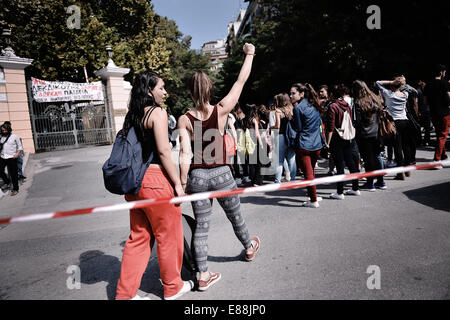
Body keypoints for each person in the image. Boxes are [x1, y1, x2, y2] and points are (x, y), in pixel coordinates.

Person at [177, 43, 260, 292]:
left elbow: (184, 153)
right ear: (210, 89)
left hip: (198, 175)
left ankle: (202, 275)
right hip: (223, 173)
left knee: (202, 227)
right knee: (236, 216)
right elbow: (241, 81)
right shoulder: (222, 109)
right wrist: (249, 54)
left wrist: (182, 184)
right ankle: (248, 247)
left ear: (190, 92)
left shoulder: (184, 118)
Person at [115, 70, 193, 301]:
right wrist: (178, 183)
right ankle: (172, 287)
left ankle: (125, 295)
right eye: (161, 88)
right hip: (156, 182)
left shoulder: (133, 115)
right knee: (169, 237)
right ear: (150, 91)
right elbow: (164, 151)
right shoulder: (157, 113)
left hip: (134, 184)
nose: (165, 92)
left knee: (137, 239)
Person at [290, 83, 325, 208]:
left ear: (302, 94)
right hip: (317, 144)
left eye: (293, 93)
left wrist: (291, 119)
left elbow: (298, 128)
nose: (291, 96)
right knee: (311, 171)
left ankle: (313, 200)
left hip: (304, 144)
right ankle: (312, 194)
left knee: (308, 173)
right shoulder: (315, 104)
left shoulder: (297, 108)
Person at [325, 85, 361, 200]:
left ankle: (340, 192)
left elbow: (330, 127)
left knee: (339, 165)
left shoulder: (332, 106)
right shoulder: (347, 105)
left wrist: (327, 143)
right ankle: (356, 188)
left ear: (331, 94)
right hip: (348, 137)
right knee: (351, 163)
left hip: (337, 139)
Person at [376, 76, 414, 180]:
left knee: (397, 147)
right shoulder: (405, 94)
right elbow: (406, 87)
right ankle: (407, 169)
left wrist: (391, 81)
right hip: (405, 121)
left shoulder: (388, 94)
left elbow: (378, 82)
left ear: (392, 85)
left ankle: (400, 171)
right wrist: (402, 81)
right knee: (406, 146)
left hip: (394, 123)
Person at [352, 80, 386, 191]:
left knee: (368, 160)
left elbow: (356, 121)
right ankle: (381, 182)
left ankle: (370, 183)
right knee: (377, 157)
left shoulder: (358, 102)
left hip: (364, 135)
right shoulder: (374, 99)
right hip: (376, 133)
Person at [424, 64, 450, 167]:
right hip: (444, 112)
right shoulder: (445, 83)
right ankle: (437, 159)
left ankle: (443, 156)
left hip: (433, 113)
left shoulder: (428, 85)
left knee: (440, 134)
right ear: (441, 72)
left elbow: (425, 101)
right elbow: (448, 96)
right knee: (443, 135)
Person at [273, 93, 297, 183]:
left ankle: (277, 180)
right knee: (292, 159)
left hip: (281, 136)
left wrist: (271, 127)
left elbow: (277, 126)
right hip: (291, 136)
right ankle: (293, 179)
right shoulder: (292, 109)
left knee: (279, 160)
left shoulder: (278, 111)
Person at [0, 122, 23, 196]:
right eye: (2, 130)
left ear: (9, 129)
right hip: (3, 156)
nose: (4, 132)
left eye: (5, 130)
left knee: (13, 174)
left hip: (12, 157)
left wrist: (17, 154)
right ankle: (7, 182)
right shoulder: (1, 137)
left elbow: (20, 146)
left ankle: (15, 189)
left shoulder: (14, 136)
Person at [417, 80, 431, 146]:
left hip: (423, 111)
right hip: (425, 111)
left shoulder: (419, 91)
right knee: (425, 127)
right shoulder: (423, 91)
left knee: (423, 127)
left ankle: (422, 140)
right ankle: (424, 141)